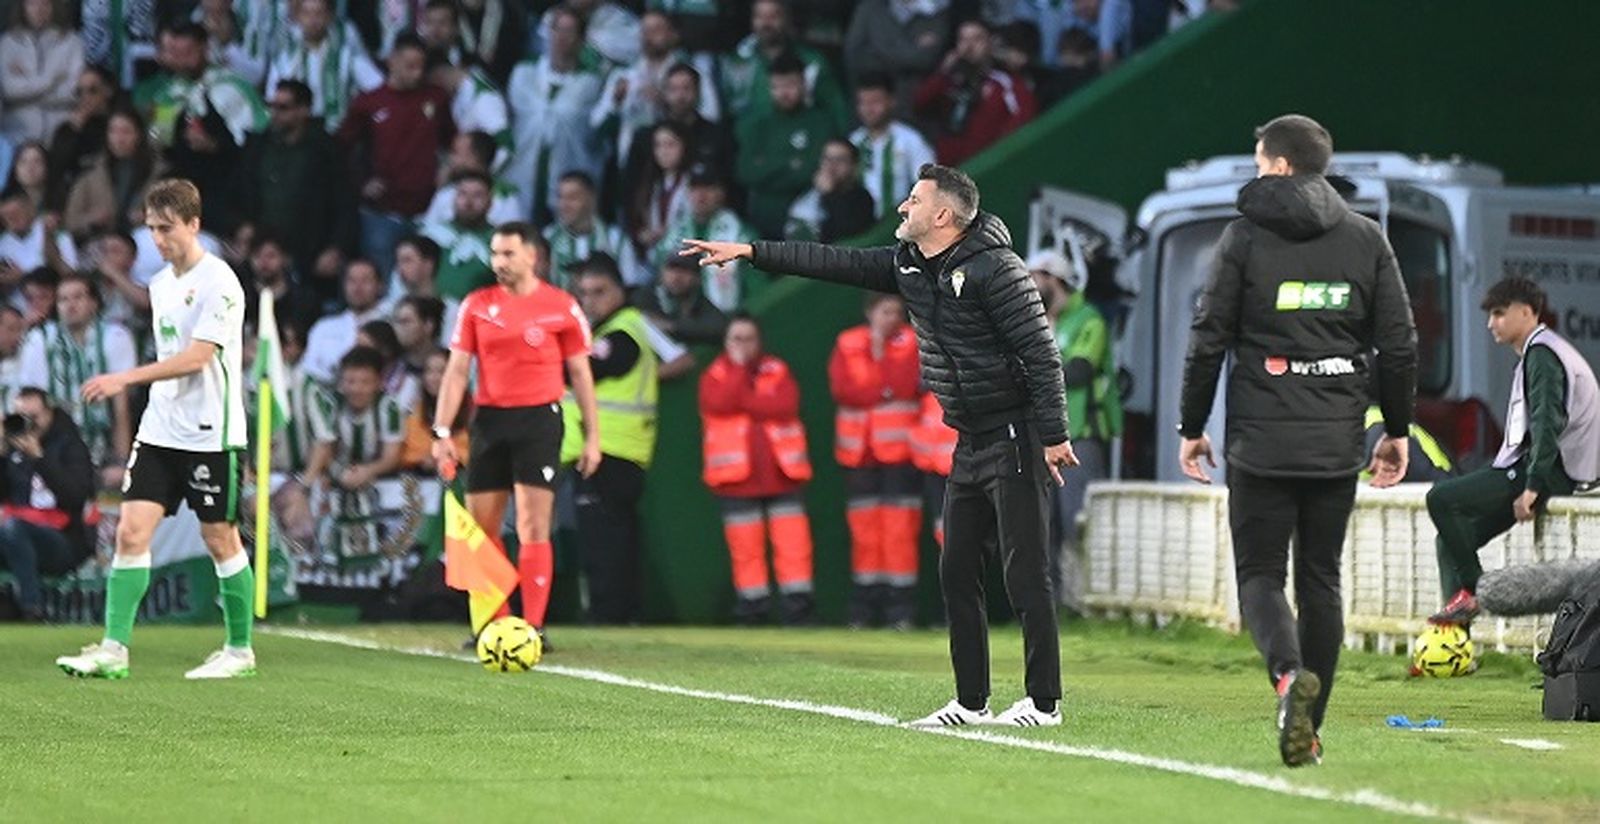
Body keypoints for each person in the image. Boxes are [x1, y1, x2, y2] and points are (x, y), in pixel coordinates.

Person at [684, 163, 1075, 728]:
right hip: (968, 438)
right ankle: (971, 702)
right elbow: (833, 262)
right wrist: (750, 251)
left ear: (942, 215)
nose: (902, 207)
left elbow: (1042, 353)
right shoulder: (911, 264)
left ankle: (1043, 703)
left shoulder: (997, 269)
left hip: (1016, 432)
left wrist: (1054, 434)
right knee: (955, 571)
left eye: (914, 199)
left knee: (1025, 573)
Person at [1177, 115, 1418, 766]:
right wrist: (1396, 430)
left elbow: (1207, 341)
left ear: (1281, 166)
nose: (1257, 174)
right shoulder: (1367, 238)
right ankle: (1309, 732)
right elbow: (1399, 346)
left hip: (1260, 441)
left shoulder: (1244, 237)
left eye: (1260, 163)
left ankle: (1288, 680)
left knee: (1260, 576)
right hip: (1335, 442)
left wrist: (1192, 427)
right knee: (1321, 582)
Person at [57, 178, 256, 680]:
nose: (158, 239)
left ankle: (239, 651)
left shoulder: (220, 282)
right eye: (151, 229)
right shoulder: (162, 284)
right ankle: (114, 649)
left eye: (167, 228)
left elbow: (197, 357)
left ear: (194, 224)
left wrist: (125, 377)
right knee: (129, 532)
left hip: (211, 432)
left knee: (220, 537)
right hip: (161, 429)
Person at [431, 221, 600, 645]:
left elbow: (581, 374)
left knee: (532, 525)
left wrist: (593, 436)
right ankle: (496, 623)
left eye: (508, 253)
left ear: (532, 256)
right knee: (483, 527)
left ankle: (534, 627)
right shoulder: (476, 305)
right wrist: (442, 430)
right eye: (495, 253)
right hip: (489, 421)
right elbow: (456, 371)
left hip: (539, 420)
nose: (499, 262)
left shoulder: (561, 306)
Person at [1426, 277, 1600, 626]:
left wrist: (1532, 486)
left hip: (1554, 471)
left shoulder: (1543, 354)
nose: (1491, 324)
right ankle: (1456, 641)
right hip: (1548, 467)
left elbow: (1547, 423)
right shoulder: (1543, 349)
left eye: (1499, 313)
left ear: (1526, 312)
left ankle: (1475, 593)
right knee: (1449, 541)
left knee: (1441, 499)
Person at [698, 313, 816, 625]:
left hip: (782, 474)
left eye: (749, 339)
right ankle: (753, 611)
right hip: (736, 479)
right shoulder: (716, 373)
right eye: (736, 339)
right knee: (745, 549)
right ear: (725, 342)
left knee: (794, 546)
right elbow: (719, 403)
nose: (743, 345)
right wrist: (740, 373)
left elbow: (784, 406)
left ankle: (798, 611)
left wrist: (746, 401)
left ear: (759, 341)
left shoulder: (777, 369)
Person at [560, 256, 658, 624]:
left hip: (609, 452)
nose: (590, 301)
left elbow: (585, 369)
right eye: (584, 293)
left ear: (620, 290)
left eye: (599, 292)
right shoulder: (611, 332)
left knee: (604, 542)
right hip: (610, 451)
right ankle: (624, 613)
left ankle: (608, 613)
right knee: (616, 537)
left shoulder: (622, 332)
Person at [1028, 247, 1120, 610]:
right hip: (1041, 438)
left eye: (1034, 277)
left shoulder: (1088, 319)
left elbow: (1079, 370)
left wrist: (1031, 373)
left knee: (1079, 522)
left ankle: (1088, 602)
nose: (1028, 285)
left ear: (1054, 279)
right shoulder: (1032, 322)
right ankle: (1052, 606)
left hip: (1080, 435)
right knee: (1042, 525)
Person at [830, 293, 922, 629]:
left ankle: (901, 611)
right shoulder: (848, 342)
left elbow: (906, 384)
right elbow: (843, 390)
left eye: (897, 312)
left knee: (900, 531)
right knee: (864, 532)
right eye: (885, 311)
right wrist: (882, 389)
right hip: (859, 454)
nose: (892, 318)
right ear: (870, 312)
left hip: (901, 455)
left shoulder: (912, 341)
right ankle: (863, 610)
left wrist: (875, 384)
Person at [338, 34, 455, 277]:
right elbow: (341, 149)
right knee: (381, 276)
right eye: (410, 66)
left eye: (421, 66)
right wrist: (362, 183)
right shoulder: (368, 103)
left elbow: (452, 141)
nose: (417, 73)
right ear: (392, 61)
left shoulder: (436, 98)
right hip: (383, 212)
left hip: (428, 211)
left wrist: (447, 169)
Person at [235, 79, 357, 307]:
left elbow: (345, 203)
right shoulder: (258, 146)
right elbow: (242, 191)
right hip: (265, 246)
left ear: (304, 110)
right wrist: (241, 226)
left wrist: (336, 247)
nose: (275, 113)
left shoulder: (326, 149)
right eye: (272, 106)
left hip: (310, 250)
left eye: (284, 107)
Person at [16, 273, 137, 480]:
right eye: (63, 299)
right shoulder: (40, 338)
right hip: (54, 444)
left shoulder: (115, 336)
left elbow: (121, 406)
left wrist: (121, 461)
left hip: (103, 443)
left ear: (94, 303)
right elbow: (31, 404)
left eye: (78, 297)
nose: (70, 305)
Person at [505, 5, 604, 225]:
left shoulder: (590, 83)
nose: (562, 38)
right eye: (557, 30)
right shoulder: (524, 74)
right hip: (522, 168)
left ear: (581, 39)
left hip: (568, 167)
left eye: (569, 31)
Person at [734, 52, 835, 240]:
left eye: (790, 85)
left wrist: (767, 167)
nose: (784, 93)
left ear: (804, 84)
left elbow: (811, 171)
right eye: (777, 86)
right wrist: (790, 164)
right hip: (761, 218)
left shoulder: (820, 122)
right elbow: (746, 172)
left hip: (806, 220)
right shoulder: (756, 124)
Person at [913, 19, 1037, 166]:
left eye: (977, 39)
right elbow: (919, 104)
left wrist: (996, 154)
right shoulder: (947, 80)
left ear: (990, 43)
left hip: (986, 166)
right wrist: (943, 72)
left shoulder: (1004, 82)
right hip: (948, 168)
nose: (969, 46)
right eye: (963, 40)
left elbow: (1023, 119)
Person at [265, 0, 383, 131]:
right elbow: (272, 96)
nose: (313, 20)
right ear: (297, 17)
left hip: (338, 132)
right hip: (300, 134)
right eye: (306, 13)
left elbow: (378, 89)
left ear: (329, 17)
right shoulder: (285, 58)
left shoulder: (346, 56)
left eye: (319, 13)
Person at [63, 108, 167, 239]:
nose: (119, 139)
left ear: (139, 135)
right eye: (113, 131)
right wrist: (91, 219)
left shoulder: (159, 172)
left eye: (126, 132)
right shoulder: (90, 172)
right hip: (100, 241)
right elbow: (70, 221)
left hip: (144, 240)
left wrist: (148, 216)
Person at [850, 75, 936, 222]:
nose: (868, 109)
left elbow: (930, 184)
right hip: (859, 226)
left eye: (875, 102)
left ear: (892, 101)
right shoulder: (854, 142)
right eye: (863, 103)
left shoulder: (910, 140)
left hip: (898, 224)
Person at [0, 0, 85, 144]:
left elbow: (73, 90)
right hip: (17, 136)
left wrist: (27, 87)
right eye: (32, 3)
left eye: (45, 3)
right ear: (22, 7)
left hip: (60, 133)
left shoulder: (72, 42)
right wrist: (51, 81)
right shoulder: (7, 43)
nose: (38, 9)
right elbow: (9, 90)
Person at [302, 258, 388, 384]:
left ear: (380, 286)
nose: (358, 287)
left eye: (365, 280)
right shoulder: (324, 326)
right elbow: (309, 367)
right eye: (352, 280)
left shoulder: (390, 323)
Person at [420, 170, 498, 300]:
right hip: (429, 307)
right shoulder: (431, 234)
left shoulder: (501, 241)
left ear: (490, 202)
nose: (468, 202)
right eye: (463, 194)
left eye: (477, 195)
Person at [785, 138, 877, 244]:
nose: (831, 166)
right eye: (827, 159)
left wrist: (829, 193)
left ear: (853, 166)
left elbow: (849, 230)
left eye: (840, 160)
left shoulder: (862, 198)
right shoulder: (807, 189)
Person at [543, 172, 625, 291]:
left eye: (572, 198)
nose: (563, 205)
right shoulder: (548, 237)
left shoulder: (615, 240)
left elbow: (630, 285)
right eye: (560, 197)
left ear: (592, 200)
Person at [633, 252, 728, 346]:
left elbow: (717, 326)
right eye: (671, 269)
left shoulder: (700, 301)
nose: (676, 277)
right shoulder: (647, 295)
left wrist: (673, 326)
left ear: (697, 277)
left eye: (684, 271)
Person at [400, 347, 468, 474]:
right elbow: (407, 453)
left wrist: (452, 457)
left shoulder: (472, 411)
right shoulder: (416, 412)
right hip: (424, 479)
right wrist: (423, 459)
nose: (433, 378)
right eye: (429, 371)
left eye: (441, 371)